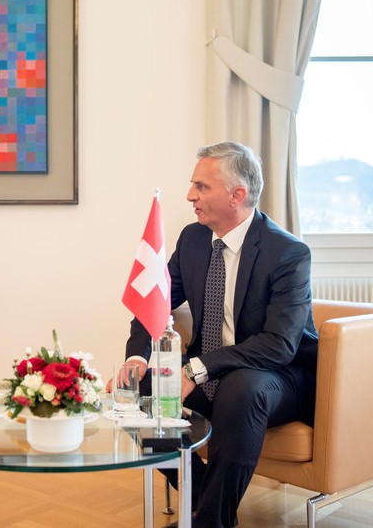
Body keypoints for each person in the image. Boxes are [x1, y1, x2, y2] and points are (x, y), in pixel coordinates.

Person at [122, 142, 318, 528]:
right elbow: (155, 303)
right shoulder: (193, 239)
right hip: (213, 368)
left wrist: (196, 369)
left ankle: (212, 520)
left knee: (240, 387)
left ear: (237, 195)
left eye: (201, 186)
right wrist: (138, 357)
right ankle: (205, 501)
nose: (190, 196)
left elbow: (279, 345)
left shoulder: (287, 252)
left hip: (279, 376)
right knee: (141, 389)